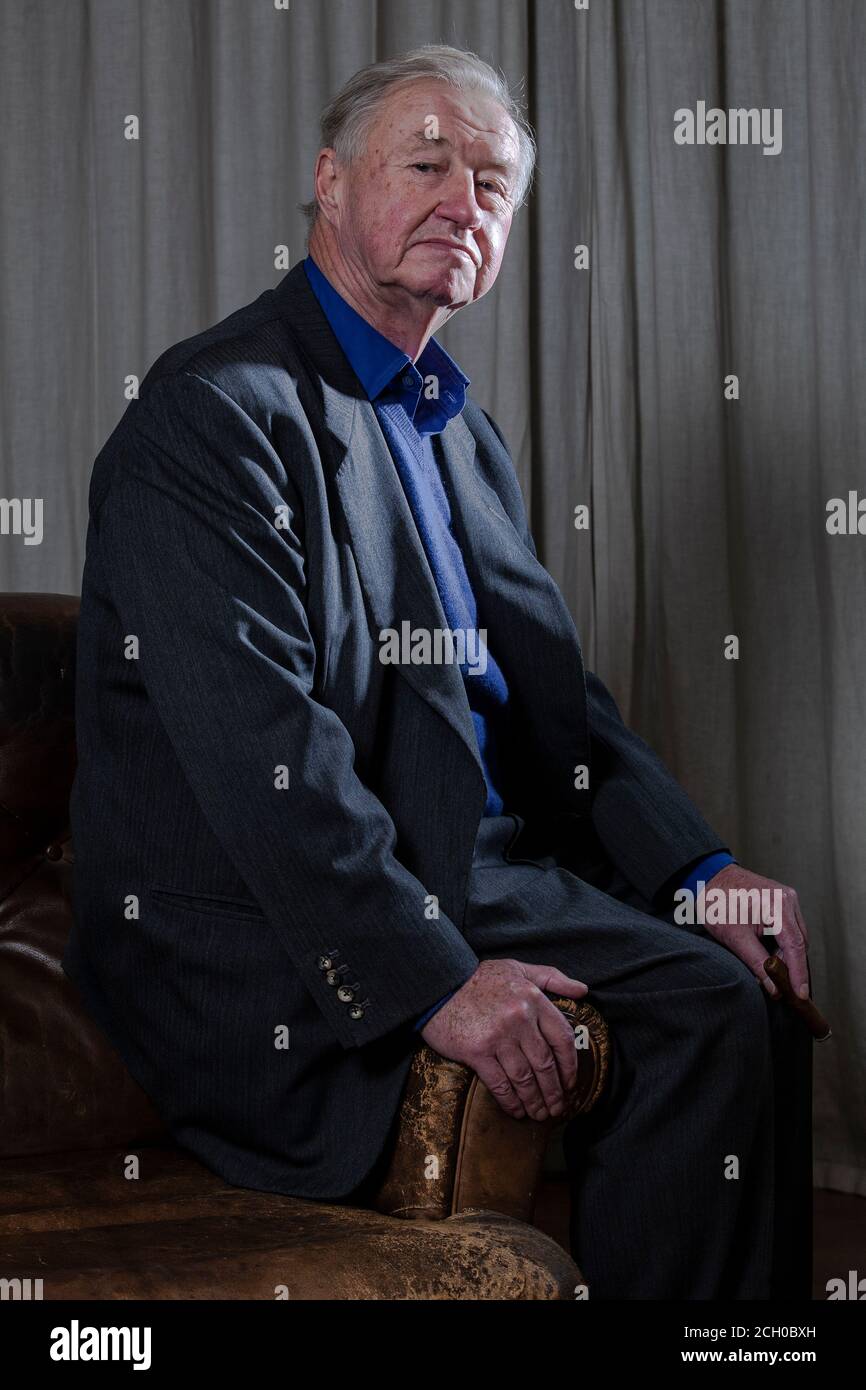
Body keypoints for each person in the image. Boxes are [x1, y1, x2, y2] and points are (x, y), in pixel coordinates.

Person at [63, 44, 812, 1299]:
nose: (463, 200)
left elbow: (558, 711)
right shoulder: (212, 412)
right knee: (702, 1013)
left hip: (469, 858)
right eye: (426, 163)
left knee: (752, 972)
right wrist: (431, 981)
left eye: (493, 185)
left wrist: (699, 870)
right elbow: (265, 757)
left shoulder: (457, 427)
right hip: (272, 931)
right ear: (327, 181)